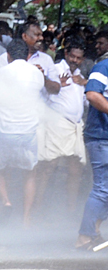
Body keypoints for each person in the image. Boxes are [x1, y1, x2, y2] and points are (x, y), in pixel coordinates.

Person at [0, 39, 44, 226]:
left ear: (8, 56)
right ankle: (26, 218)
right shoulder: (37, 74)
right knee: (30, 173)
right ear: (28, 55)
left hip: (4, 129)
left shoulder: (1, 73)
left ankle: (6, 201)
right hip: (27, 131)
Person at [35, 38, 87, 216]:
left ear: (82, 59)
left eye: (78, 58)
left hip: (75, 126)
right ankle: (37, 209)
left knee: (75, 169)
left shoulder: (80, 76)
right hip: (56, 122)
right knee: (48, 167)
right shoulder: (56, 70)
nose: (74, 60)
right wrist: (58, 86)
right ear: (66, 54)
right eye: (72, 56)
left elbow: (86, 101)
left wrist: (85, 83)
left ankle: (70, 211)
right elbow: (43, 93)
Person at [76, 37, 108, 250]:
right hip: (101, 137)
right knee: (102, 188)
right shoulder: (103, 66)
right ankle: (84, 238)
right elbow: (92, 94)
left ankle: (93, 232)